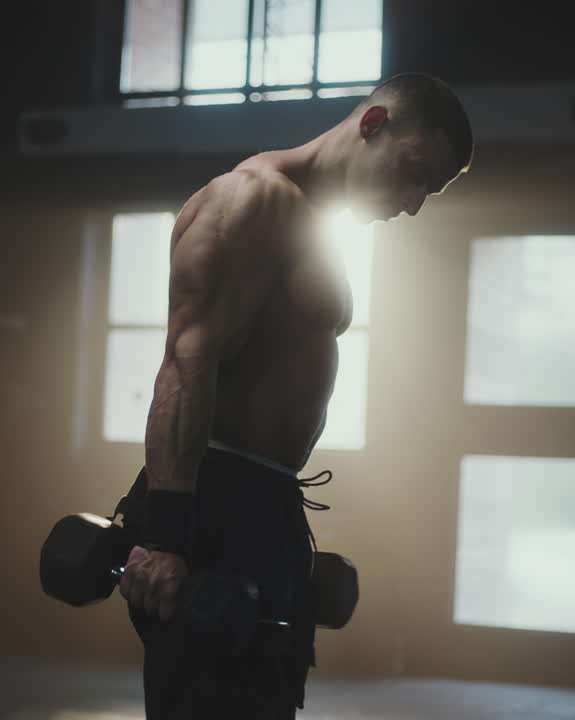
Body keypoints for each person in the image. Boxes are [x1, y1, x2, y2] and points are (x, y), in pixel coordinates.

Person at [117, 72, 474, 719]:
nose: (415, 201)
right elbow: (186, 362)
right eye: (413, 171)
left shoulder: (317, 227)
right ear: (373, 126)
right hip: (212, 506)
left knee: (268, 698)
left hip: (266, 504)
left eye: (431, 188)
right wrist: (166, 536)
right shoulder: (251, 201)